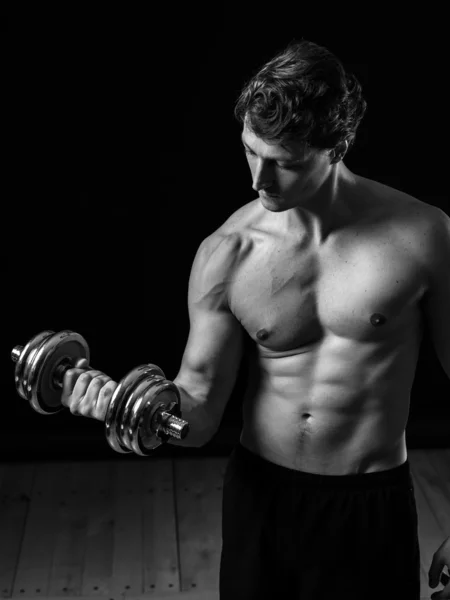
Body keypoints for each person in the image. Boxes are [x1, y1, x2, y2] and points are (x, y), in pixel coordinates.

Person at [61, 40, 450, 599]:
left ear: (337, 145)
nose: (258, 179)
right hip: (262, 498)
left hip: (371, 503)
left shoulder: (423, 236)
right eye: (249, 150)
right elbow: (196, 411)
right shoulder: (227, 253)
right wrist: (129, 409)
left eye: (284, 163)